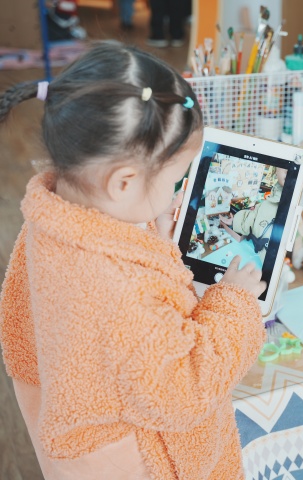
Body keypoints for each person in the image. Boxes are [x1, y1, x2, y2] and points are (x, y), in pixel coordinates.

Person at [0, 42, 266, 480]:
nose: (176, 190)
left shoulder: (51, 220)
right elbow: (183, 392)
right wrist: (234, 303)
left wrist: (151, 238)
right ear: (123, 183)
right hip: (139, 462)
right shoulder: (120, 289)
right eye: (173, 178)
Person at [220, 167, 287, 263]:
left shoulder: (291, 206)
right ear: (276, 171)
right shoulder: (269, 202)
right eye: (284, 167)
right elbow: (254, 219)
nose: (288, 171)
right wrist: (235, 221)